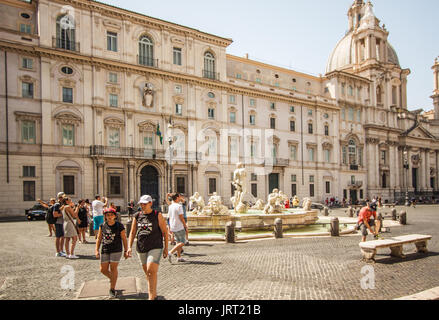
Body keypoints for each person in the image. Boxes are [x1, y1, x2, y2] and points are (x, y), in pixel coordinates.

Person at [127, 195, 168, 300]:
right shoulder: (137, 216)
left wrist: (166, 248)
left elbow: (164, 232)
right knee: (149, 273)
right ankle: (154, 293)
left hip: (155, 246)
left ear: (150, 203)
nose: (142, 206)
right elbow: (132, 232)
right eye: (141, 204)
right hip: (141, 247)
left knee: (150, 270)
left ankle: (151, 297)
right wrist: (129, 247)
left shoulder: (157, 215)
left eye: (145, 204)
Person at [95, 207, 129, 298]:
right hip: (105, 249)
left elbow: (124, 239)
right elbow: (99, 238)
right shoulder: (102, 226)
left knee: (113, 268)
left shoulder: (119, 226)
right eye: (107, 215)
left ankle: (112, 289)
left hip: (116, 249)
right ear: (105, 217)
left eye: (111, 215)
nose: (109, 217)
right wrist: (96, 250)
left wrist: (126, 250)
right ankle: (113, 279)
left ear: (115, 216)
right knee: (103, 269)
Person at [167, 193, 189, 263]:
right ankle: (170, 252)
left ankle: (179, 257)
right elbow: (181, 217)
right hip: (179, 226)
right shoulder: (179, 206)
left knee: (178, 242)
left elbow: (169, 217)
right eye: (179, 197)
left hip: (173, 226)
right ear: (176, 198)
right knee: (183, 242)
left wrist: (170, 227)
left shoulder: (170, 206)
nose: (180, 198)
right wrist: (185, 225)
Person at [53, 192, 67, 257]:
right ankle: (58, 252)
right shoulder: (57, 205)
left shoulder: (62, 204)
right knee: (58, 237)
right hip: (58, 222)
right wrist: (62, 214)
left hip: (62, 222)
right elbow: (55, 214)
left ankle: (61, 250)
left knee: (62, 237)